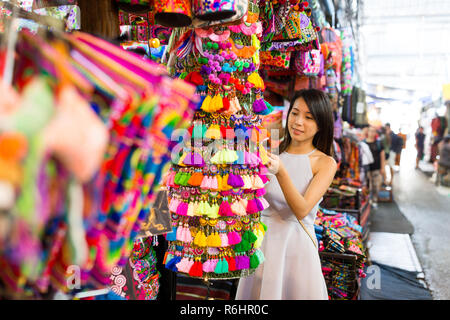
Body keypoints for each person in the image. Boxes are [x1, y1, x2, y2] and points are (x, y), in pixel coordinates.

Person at [235, 89, 337, 300]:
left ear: (321, 124)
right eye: (295, 113)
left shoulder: (325, 163)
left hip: (296, 249)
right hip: (263, 244)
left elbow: (301, 210)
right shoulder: (271, 151)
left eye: (309, 117)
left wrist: (281, 171)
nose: (298, 122)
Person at [364, 127, 386, 208]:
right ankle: (368, 201)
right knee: (367, 186)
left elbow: (382, 156)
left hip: (377, 168)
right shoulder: (363, 143)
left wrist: (382, 168)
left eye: (374, 131)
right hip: (366, 169)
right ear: (368, 132)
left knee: (376, 186)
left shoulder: (379, 143)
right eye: (370, 131)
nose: (372, 133)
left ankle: (374, 200)